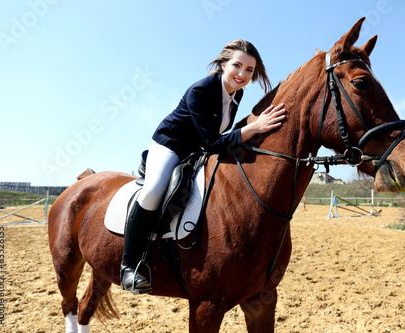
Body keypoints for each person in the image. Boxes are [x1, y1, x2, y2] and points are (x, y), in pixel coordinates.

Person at [120, 39, 287, 293]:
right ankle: (129, 267)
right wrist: (254, 127)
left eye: (249, 70)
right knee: (153, 191)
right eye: (237, 66)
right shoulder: (200, 90)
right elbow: (213, 142)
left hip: (196, 150)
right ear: (222, 64)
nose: (243, 74)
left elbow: (219, 135)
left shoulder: (236, 93)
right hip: (171, 146)